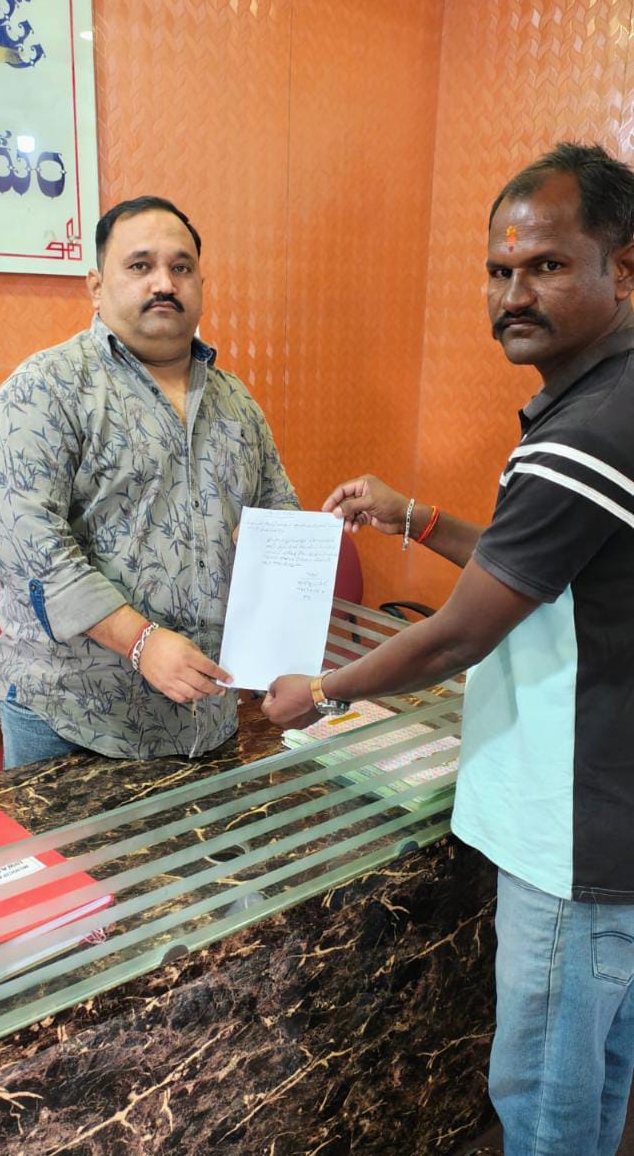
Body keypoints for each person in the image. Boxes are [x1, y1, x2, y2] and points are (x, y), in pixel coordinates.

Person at [262, 143, 634, 1156]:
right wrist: (416, 517)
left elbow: (465, 629)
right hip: (610, 819)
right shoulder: (602, 406)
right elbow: (542, 564)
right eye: (498, 270)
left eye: (546, 265)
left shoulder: (588, 432)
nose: (514, 295)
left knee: (546, 1099)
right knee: (596, 1081)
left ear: (621, 269)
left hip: (574, 839)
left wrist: (323, 690)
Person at [0, 195, 298, 768]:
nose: (164, 283)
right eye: (140, 265)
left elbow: (279, 519)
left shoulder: (236, 403)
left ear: (200, 284)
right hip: (73, 717)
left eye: (181, 267)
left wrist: (283, 622)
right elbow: (30, 547)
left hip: (208, 710)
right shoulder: (46, 388)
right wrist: (140, 641)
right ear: (96, 286)